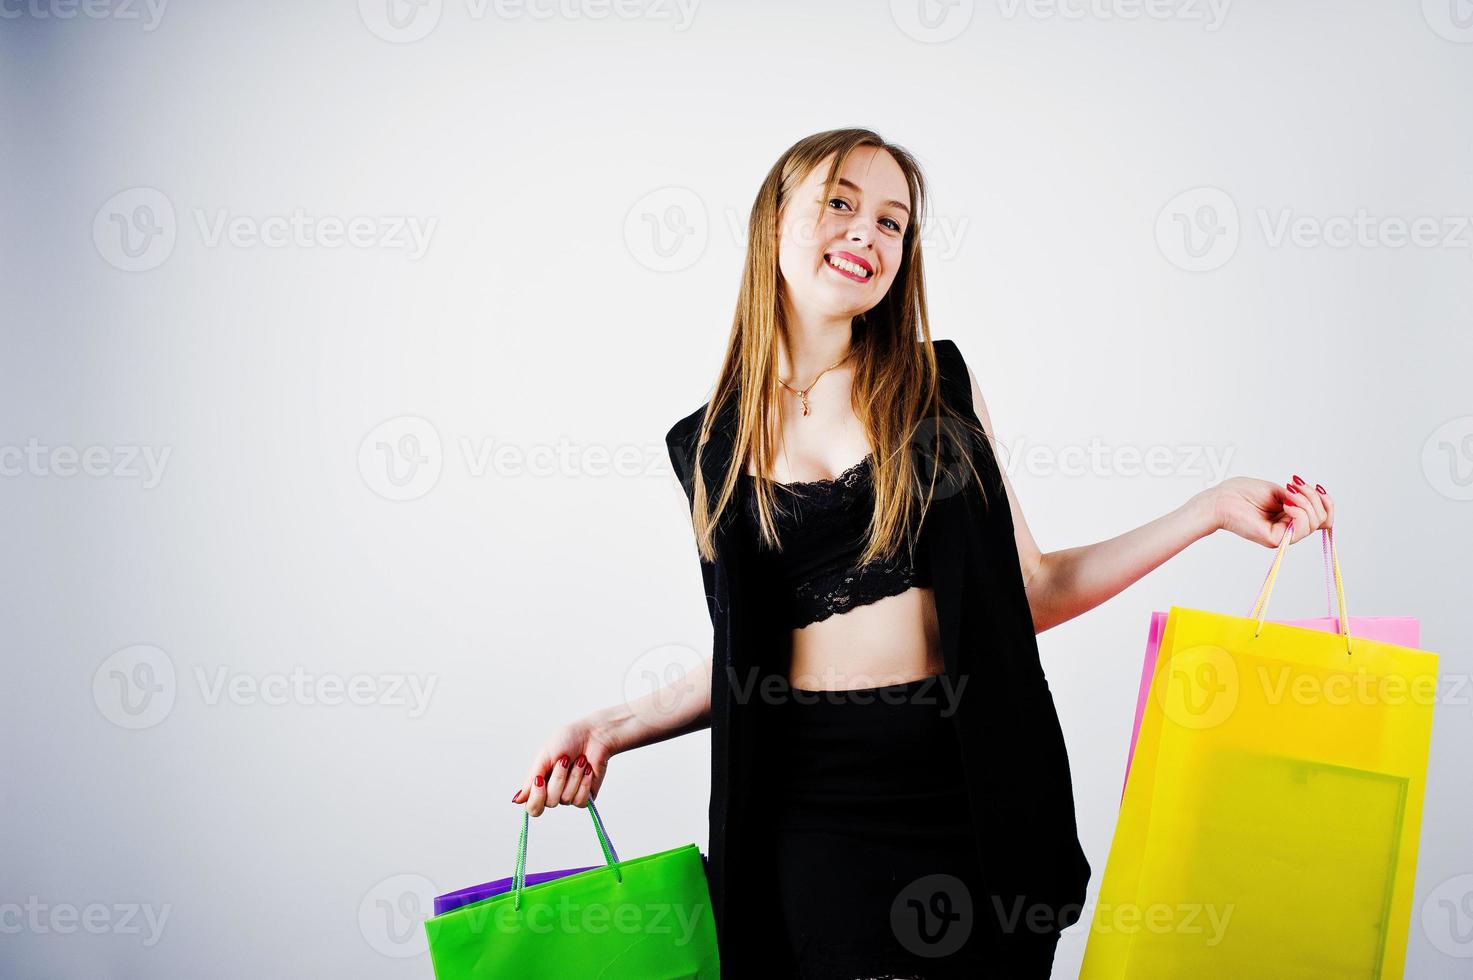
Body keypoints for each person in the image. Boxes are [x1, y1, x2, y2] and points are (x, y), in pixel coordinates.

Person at [509, 128, 1335, 978]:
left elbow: (1036, 589)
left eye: (892, 222)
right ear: (771, 225)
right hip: (809, 810)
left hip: (973, 790)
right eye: (840, 204)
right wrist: (606, 727)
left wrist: (1204, 511)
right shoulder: (705, 446)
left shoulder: (937, 385)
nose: (867, 233)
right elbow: (747, 659)